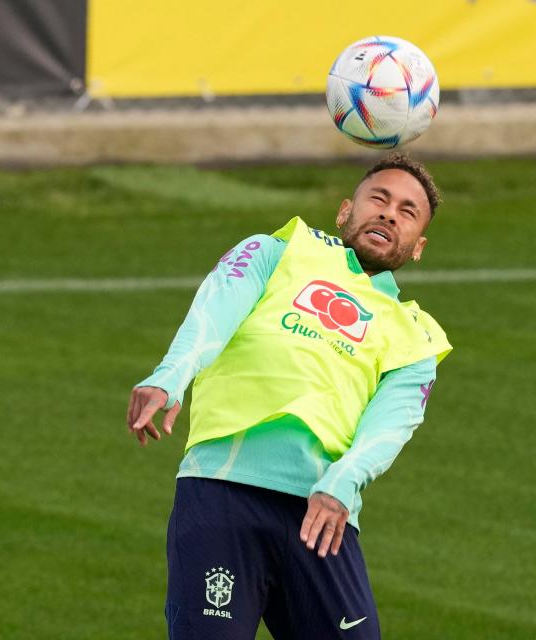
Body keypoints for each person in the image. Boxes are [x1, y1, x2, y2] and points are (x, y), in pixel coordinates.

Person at [126, 152, 452, 639]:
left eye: (407, 212)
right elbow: (213, 313)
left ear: (418, 246)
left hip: (324, 513)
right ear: (346, 211)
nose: (388, 213)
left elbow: (389, 426)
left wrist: (344, 480)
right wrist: (169, 378)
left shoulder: (416, 334)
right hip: (223, 494)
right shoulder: (276, 251)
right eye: (378, 199)